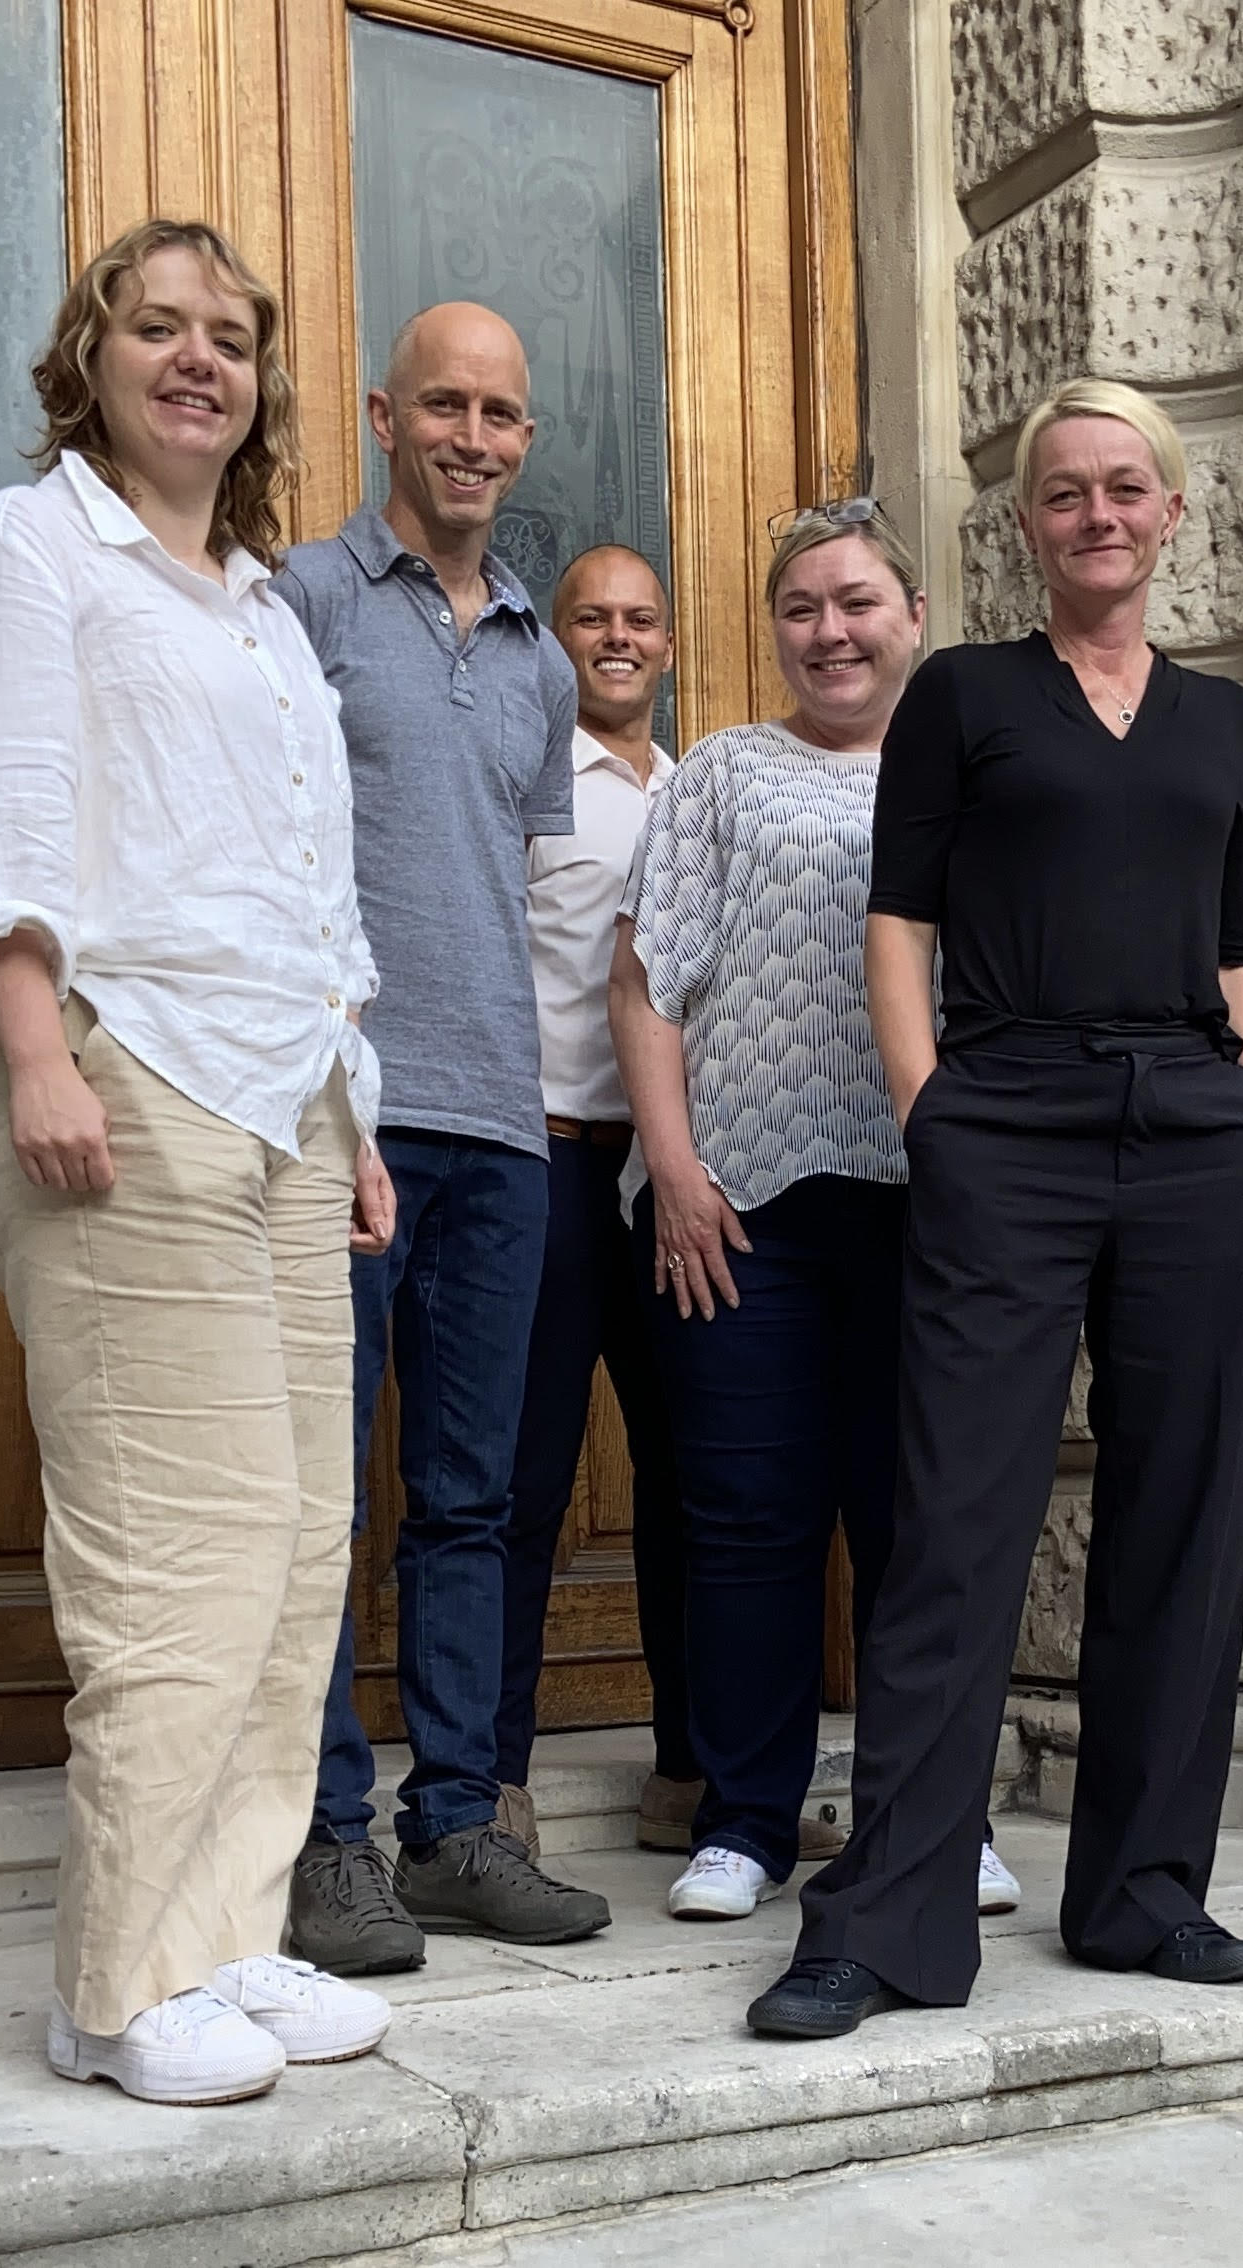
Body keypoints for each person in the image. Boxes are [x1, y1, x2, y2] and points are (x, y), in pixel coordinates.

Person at [0, 217, 398, 2105]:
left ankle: (230, 1940)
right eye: (157, 327)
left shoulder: (258, 610)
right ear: (87, 355)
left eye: (232, 336)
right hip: (125, 1075)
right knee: (172, 1557)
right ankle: (115, 1985)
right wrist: (34, 1049)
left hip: (279, 1103)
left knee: (291, 1552)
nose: (199, 360)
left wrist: (351, 1111)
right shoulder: (23, 556)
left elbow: (300, 886)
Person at [747, 381, 1243, 2041]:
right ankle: (887, 1917)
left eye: (1127, 488)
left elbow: (1232, 946)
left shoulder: (1226, 723)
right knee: (960, 1515)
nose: (1098, 515)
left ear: (1172, 513)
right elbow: (897, 921)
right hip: (1011, 1120)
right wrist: (938, 1113)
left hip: (1196, 1125)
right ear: (1028, 526)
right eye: (1065, 495)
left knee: (1182, 1516)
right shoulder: (966, 698)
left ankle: (1143, 1893)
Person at [614, 501, 1021, 1925]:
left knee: (923, 1525)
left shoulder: (978, 777)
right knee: (746, 1518)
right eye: (800, 608)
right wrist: (673, 1165)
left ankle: (932, 1815)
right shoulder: (722, 775)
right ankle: (744, 1818)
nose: (830, 632)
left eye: (856, 602)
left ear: (915, 614)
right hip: (742, 1211)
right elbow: (647, 981)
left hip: (934, 1210)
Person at [274, 301, 612, 1965]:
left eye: (502, 410)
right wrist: (322, 1093)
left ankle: (458, 1826)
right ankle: (322, 1840)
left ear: (523, 437)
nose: (474, 435)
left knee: (474, 1500)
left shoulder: (546, 664)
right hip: (342, 1117)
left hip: (501, 1127)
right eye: (444, 406)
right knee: (319, 1494)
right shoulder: (305, 601)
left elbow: (525, 902)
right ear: (381, 416)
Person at [494, 544, 695, 1858]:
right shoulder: (520, 778)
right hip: (547, 1159)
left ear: (668, 644)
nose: (616, 639)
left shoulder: (696, 790)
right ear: (557, 640)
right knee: (518, 1478)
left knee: (695, 1478)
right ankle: (487, 1779)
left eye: (639, 622)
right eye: (591, 620)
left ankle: (693, 1773)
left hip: (671, 1175)